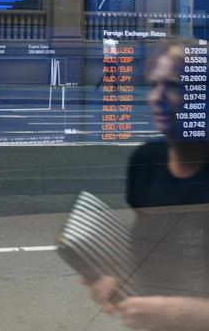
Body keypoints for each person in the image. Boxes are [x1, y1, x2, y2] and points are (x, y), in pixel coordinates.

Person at [85, 39, 209, 330]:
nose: (156, 97)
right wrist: (118, 280)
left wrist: (182, 313)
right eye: (154, 85)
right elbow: (149, 248)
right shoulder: (147, 160)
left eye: (174, 86)